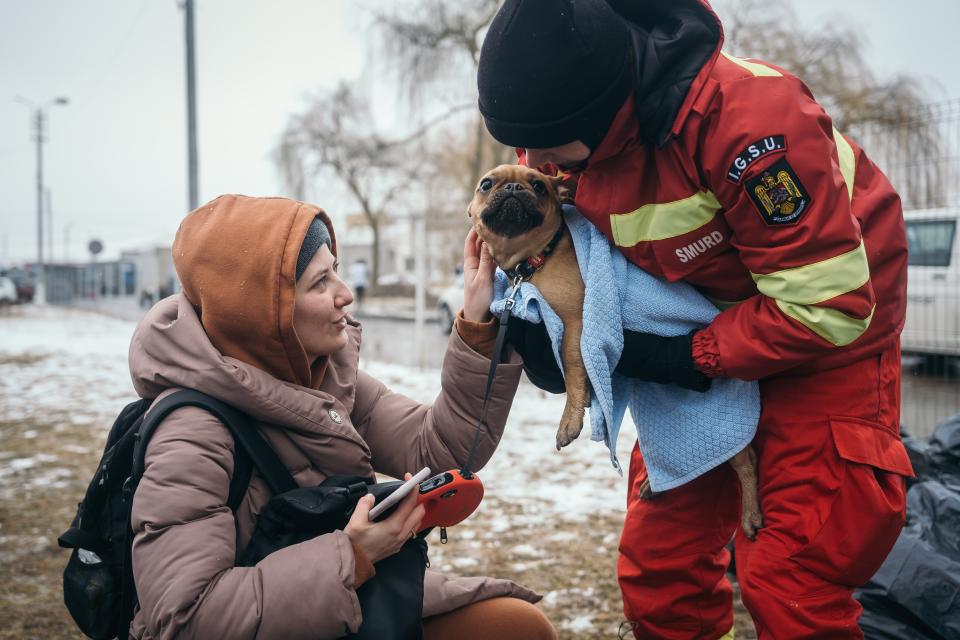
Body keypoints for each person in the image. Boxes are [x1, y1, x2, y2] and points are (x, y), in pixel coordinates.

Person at [477, 1, 914, 638]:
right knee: (661, 566)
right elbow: (578, 264)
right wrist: (543, 327)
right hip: (703, 344)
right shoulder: (563, 141)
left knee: (792, 579)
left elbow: (828, 306)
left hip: (828, 349)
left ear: (603, 103)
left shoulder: (752, 123)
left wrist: (688, 358)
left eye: (549, 142)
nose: (537, 159)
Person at [126, 194, 556, 639]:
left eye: (335, 270)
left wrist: (476, 319)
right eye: (319, 282)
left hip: (343, 607)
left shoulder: (322, 377)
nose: (345, 293)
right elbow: (184, 619)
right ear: (262, 311)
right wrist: (350, 556)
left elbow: (439, 448)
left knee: (519, 628)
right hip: (307, 611)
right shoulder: (191, 433)